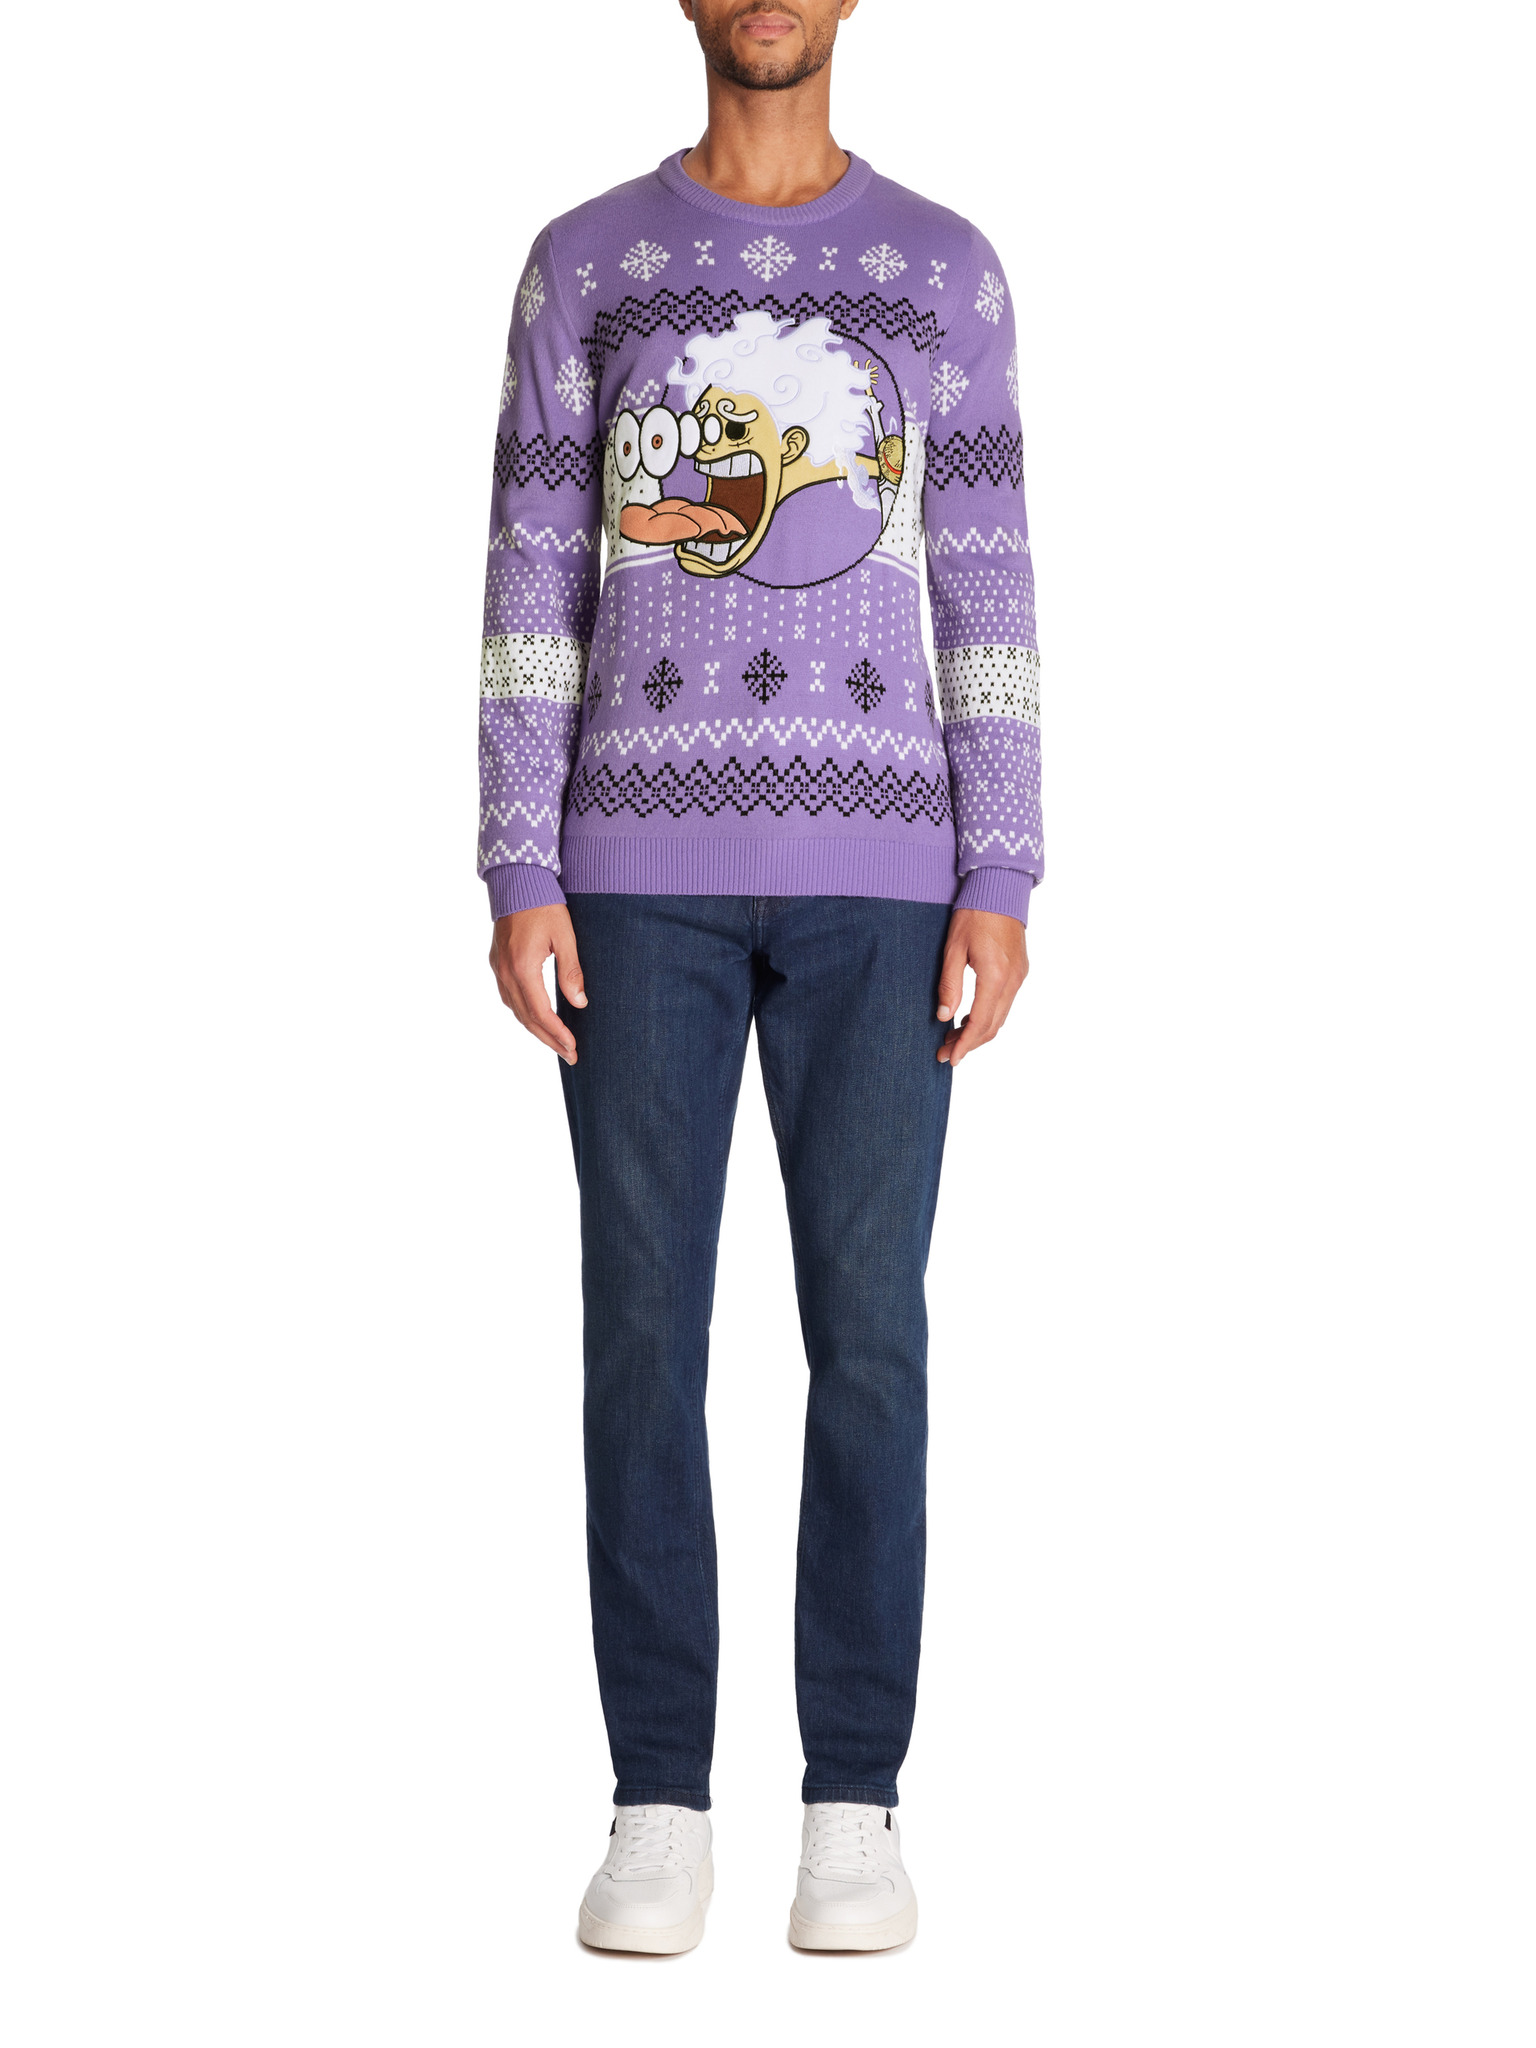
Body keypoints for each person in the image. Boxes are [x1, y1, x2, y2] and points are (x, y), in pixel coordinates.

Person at [480, 0, 1041, 1954]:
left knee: (870, 1338)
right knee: (642, 1336)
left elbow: (987, 574)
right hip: (632, 882)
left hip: (889, 885)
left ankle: (853, 1805)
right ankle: (657, 1800)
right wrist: (520, 858)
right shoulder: (588, 265)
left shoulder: (946, 272)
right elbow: (533, 571)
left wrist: (1004, 867)